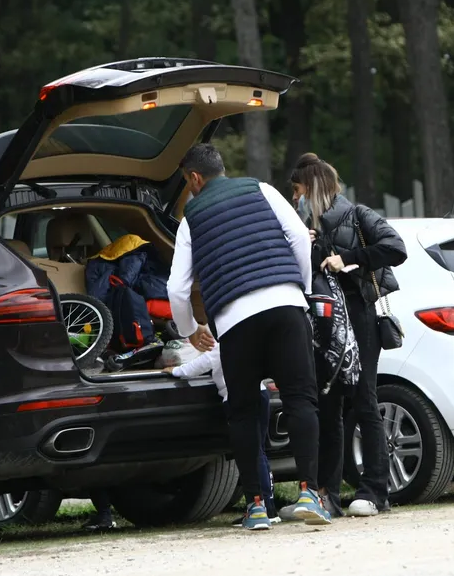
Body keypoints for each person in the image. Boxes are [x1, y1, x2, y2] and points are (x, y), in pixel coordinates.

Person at [167, 143, 331, 530]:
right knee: (300, 399)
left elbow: (176, 288)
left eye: (187, 183)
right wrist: (301, 290)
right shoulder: (263, 189)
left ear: (195, 178)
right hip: (285, 305)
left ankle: (257, 506)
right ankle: (310, 493)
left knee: (242, 412)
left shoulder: (191, 218)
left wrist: (191, 331)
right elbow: (298, 237)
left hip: (235, 320)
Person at [288, 153, 407, 518]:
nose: (295, 198)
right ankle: (327, 494)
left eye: (298, 190)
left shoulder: (358, 215)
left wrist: (347, 257)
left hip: (360, 317)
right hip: (323, 324)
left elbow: (396, 248)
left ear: (312, 187)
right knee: (328, 406)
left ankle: (375, 491)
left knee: (364, 400)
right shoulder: (303, 227)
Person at [163, 344, 279, 524]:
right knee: (259, 451)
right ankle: (269, 508)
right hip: (260, 393)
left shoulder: (223, 341)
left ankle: (259, 508)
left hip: (237, 397)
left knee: (249, 453)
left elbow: (202, 364)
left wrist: (176, 370)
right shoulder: (248, 339)